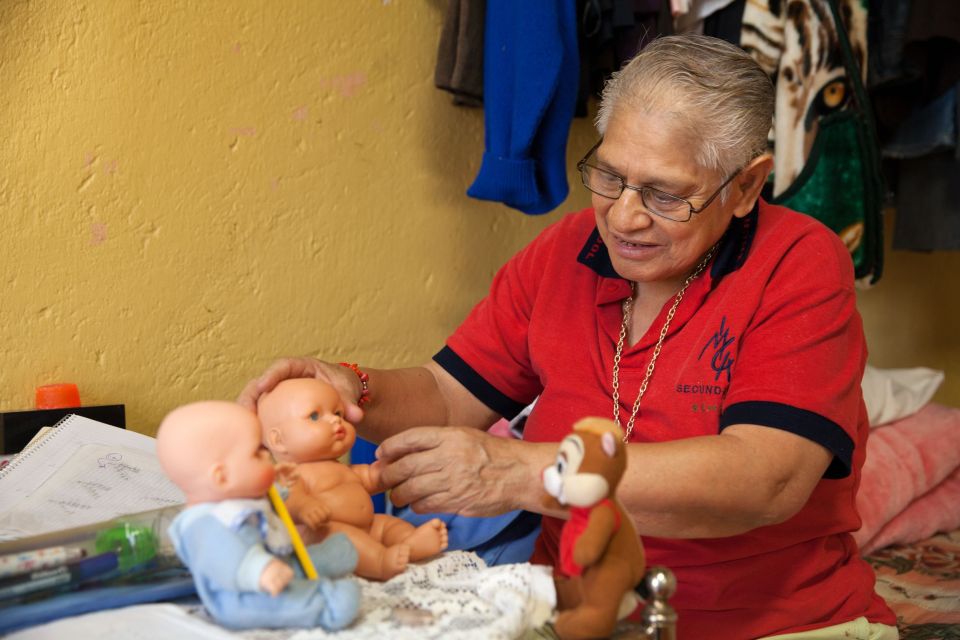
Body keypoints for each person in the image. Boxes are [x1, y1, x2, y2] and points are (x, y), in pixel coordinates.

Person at [238, 34, 897, 639]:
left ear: (746, 185)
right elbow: (446, 395)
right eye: (609, 176)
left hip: (771, 625)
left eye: (666, 195)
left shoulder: (799, 262)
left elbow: (766, 479)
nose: (624, 217)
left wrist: (520, 473)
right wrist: (351, 386)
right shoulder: (565, 253)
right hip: (575, 613)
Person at [156, 400, 361, 631]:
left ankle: (325, 559)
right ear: (222, 477)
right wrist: (259, 570)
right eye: (257, 453)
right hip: (246, 594)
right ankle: (327, 605)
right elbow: (224, 558)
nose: (268, 457)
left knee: (309, 559)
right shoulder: (203, 525)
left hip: (279, 561)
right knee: (287, 600)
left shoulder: (239, 496)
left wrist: (276, 484)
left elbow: (265, 511)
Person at [258, 377, 449, 580]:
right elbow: (286, 500)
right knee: (343, 536)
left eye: (338, 413)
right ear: (278, 440)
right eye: (314, 416)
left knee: (388, 524)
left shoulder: (341, 468)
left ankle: (410, 543)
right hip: (324, 536)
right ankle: (381, 562)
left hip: (369, 527)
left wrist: (386, 471)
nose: (335, 420)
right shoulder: (291, 475)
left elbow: (369, 478)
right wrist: (304, 506)